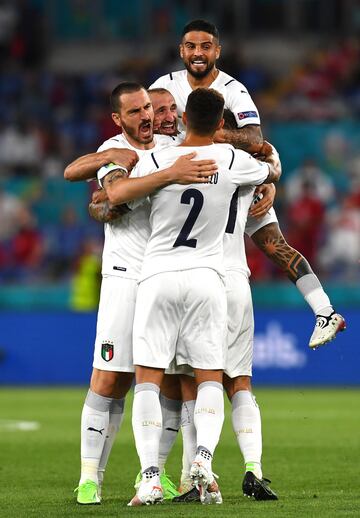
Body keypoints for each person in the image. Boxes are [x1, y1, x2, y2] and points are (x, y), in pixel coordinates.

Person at [102, 88, 281, 506]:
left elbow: (117, 195)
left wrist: (165, 175)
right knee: (209, 379)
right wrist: (267, 177)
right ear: (222, 123)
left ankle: (149, 478)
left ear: (182, 116)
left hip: (158, 275)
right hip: (209, 279)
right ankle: (202, 460)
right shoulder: (235, 160)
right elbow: (270, 168)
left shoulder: (156, 160)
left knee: (147, 378)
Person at [150, 18, 346, 351]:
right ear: (182, 50)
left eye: (205, 46)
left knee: (274, 245)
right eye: (192, 46)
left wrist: (211, 134)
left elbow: (255, 138)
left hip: (232, 178)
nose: (198, 53)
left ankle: (325, 311)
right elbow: (148, 127)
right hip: (182, 180)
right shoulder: (163, 87)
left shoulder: (233, 89)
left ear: (217, 50)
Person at [65, 81, 217, 505]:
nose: (147, 117)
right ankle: (89, 477)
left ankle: (154, 474)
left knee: (172, 378)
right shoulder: (113, 149)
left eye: (149, 108)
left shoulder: (172, 144)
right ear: (119, 119)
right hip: (126, 275)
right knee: (110, 378)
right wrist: (107, 187)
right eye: (135, 112)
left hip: (167, 275)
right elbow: (99, 187)